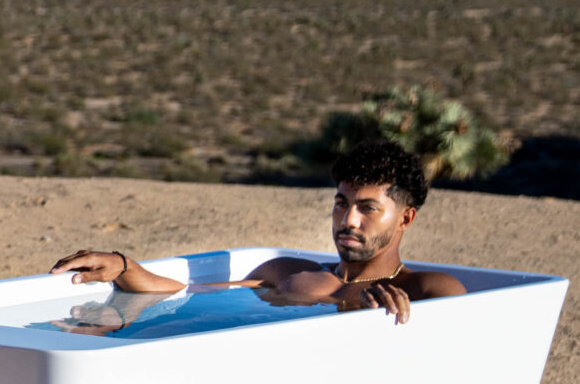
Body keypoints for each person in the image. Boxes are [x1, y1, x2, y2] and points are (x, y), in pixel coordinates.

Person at [50, 137, 465, 328]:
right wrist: (122, 266)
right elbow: (191, 292)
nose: (349, 220)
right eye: (342, 203)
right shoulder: (287, 271)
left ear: (405, 219)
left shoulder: (428, 289)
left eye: (368, 209)